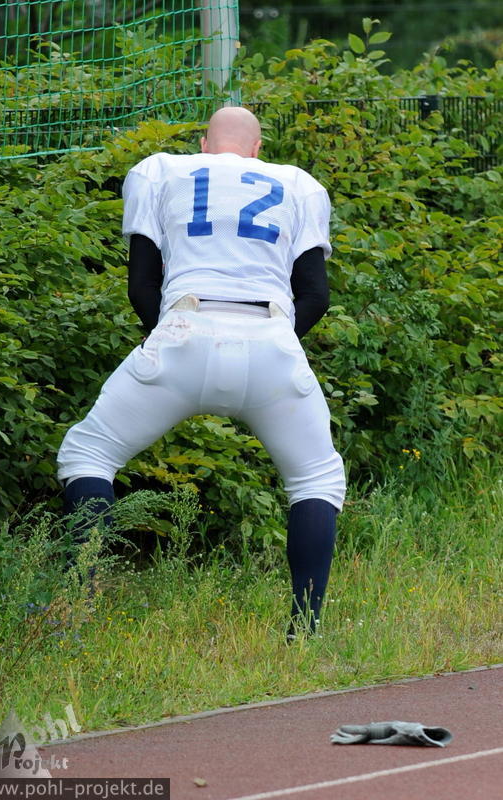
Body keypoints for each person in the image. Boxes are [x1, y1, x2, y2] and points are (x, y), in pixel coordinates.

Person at [57, 106, 346, 637]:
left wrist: (165, 338)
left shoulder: (160, 170)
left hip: (185, 326)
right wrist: (274, 341)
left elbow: (142, 284)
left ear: (204, 144)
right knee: (315, 479)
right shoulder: (299, 184)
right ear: (258, 150)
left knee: (88, 454)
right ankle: (304, 630)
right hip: (270, 333)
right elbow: (316, 295)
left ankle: (79, 608)